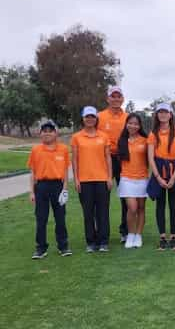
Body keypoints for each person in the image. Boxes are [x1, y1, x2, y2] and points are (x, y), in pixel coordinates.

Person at [71, 106, 113, 253]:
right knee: (88, 213)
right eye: (87, 117)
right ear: (83, 119)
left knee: (103, 212)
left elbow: (108, 158)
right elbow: (75, 160)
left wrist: (109, 177)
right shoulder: (76, 137)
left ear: (96, 119)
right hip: (84, 180)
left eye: (92, 117)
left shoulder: (103, 136)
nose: (90, 119)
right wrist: (76, 179)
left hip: (101, 179)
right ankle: (91, 242)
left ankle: (103, 242)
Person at [28, 120, 71, 259]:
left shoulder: (63, 149)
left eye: (50, 131)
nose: (47, 133)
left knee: (60, 218)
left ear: (55, 133)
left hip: (58, 186)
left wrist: (65, 189)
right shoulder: (36, 150)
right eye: (44, 131)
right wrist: (31, 191)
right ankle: (41, 248)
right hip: (41, 186)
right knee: (41, 219)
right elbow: (32, 172)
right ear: (40, 134)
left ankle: (63, 246)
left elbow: (65, 171)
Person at [147, 103, 175, 251]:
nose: (163, 115)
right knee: (160, 205)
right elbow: (150, 158)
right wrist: (158, 177)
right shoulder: (152, 134)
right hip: (159, 170)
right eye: (160, 112)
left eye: (165, 112)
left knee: (174, 205)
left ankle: (174, 236)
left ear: (170, 115)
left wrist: (173, 177)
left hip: (173, 170)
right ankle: (162, 237)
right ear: (157, 115)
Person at [98, 86, 128, 243]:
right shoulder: (99, 117)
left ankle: (125, 230)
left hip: (124, 160)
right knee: (103, 198)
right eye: (113, 96)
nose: (116, 99)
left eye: (119, 96)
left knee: (125, 196)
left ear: (122, 99)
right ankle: (104, 233)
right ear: (108, 98)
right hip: (105, 159)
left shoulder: (128, 117)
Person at [117, 113, 149, 249]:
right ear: (126, 124)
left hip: (142, 178)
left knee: (141, 208)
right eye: (130, 123)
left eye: (136, 123)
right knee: (132, 207)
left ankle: (138, 235)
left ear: (140, 126)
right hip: (127, 179)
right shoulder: (122, 140)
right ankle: (130, 234)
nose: (133, 126)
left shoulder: (145, 140)